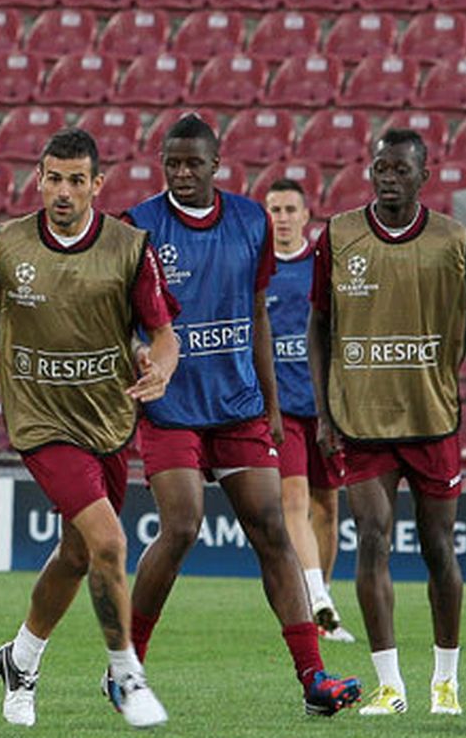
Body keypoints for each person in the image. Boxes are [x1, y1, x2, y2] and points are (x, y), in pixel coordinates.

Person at [0, 128, 176, 729]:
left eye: (76, 180)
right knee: (108, 542)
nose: (63, 190)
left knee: (78, 554)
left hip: (106, 419)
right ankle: (125, 673)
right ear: (39, 177)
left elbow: (162, 332)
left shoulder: (130, 248)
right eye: (53, 177)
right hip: (40, 419)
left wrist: (159, 368)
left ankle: (21, 659)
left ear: (96, 185)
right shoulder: (3, 243)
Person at [119, 115, 360, 718]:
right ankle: (126, 668)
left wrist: (273, 407)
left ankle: (313, 678)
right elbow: (124, 321)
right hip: (171, 405)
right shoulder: (138, 226)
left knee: (273, 529)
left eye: (192, 163)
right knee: (181, 526)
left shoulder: (251, 220)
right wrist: (139, 355)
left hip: (239, 406)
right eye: (170, 162)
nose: (180, 172)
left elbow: (257, 315)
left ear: (215, 163)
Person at [307, 129, 466, 717]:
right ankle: (390, 685)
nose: (387, 177)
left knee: (439, 548)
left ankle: (446, 679)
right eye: (379, 167)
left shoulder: (452, 240)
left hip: (433, 417)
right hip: (361, 418)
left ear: (424, 175)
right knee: (371, 536)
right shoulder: (338, 235)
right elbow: (319, 326)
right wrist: (322, 409)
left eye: (400, 169)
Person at [264, 177, 354, 644]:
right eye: (274, 209)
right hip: (280, 412)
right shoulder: (256, 271)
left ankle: (325, 599)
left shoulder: (323, 268)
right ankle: (315, 598)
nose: (281, 217)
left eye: (288, 209)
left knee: (327, 507)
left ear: (305, 215)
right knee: (293, 502)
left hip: (324, 407)